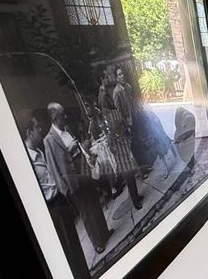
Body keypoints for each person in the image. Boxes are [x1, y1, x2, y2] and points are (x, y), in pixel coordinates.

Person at [24, 112, 90, 279]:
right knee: (68, 250)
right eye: (37, 127)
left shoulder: (39, 151)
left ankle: (86, 278)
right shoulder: (27, 161)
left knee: (74, 244)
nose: (41, 129)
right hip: (51, 208)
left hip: (60, 201)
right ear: (29, 132)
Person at [42, 102, 111, 258]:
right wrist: (64, 189)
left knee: (94, 203)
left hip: (83, 172)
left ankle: (105, 233)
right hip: (71, 181)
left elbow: (78, 149)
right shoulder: (49, 140)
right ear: (54, 117)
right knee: (85, 212)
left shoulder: (67, 129)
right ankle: (97, 243)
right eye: (62, 115)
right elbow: (52, 166)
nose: (65, 117)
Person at [116, 65, 176, 179]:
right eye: (119, 75)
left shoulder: (128, 86)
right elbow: (119, 112)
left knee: (154, 136)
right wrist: (126, 124)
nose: (122, 76)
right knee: (140, 146)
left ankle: (166, 157)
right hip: (131, 123)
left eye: (122, 73)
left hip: (139, 117)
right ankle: (143, 170)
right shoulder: (117, 92)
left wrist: (142, 110)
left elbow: (135, 101)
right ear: (116, 78)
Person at [97, 65, 143, 209]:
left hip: (118, 131)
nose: (108, 78)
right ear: (102, 79)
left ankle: (134, 195)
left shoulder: (105, 93)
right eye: (106, 76)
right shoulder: (103, 96)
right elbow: (110, 117)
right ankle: (134, 200)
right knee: (127, 169)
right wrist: (121, 127)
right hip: (116, 134)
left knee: (127, 167)